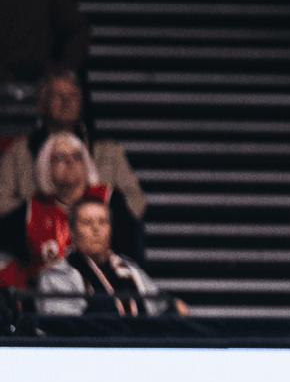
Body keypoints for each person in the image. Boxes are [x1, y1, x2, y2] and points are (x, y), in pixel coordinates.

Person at [0, 132, 141, 287]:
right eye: (60, 157)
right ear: (46, 166)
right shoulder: (33, 208)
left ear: (86, 163)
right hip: (48, 294)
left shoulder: (109, 199)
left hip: (103, 292)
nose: (70, 162)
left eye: (77, 156)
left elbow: (129, 253)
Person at [0, 69, 145, 219]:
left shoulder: (108, 152)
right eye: (57, 96)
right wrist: (38, 212)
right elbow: (2, 200)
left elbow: (137, 201)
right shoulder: (19, 152)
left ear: (82, 103)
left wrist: (98, 215)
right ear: (40, 104)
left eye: (73, 96)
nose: (66, 101)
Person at [35, 197, 182, 317]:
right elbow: (67, 329)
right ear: (72, 232)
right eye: (87, 223)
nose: (96, 229)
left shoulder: (129, 269)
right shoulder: (56, 276)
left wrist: (174, 307)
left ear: (110, 229)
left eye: (102, 222)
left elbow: (159, 307)